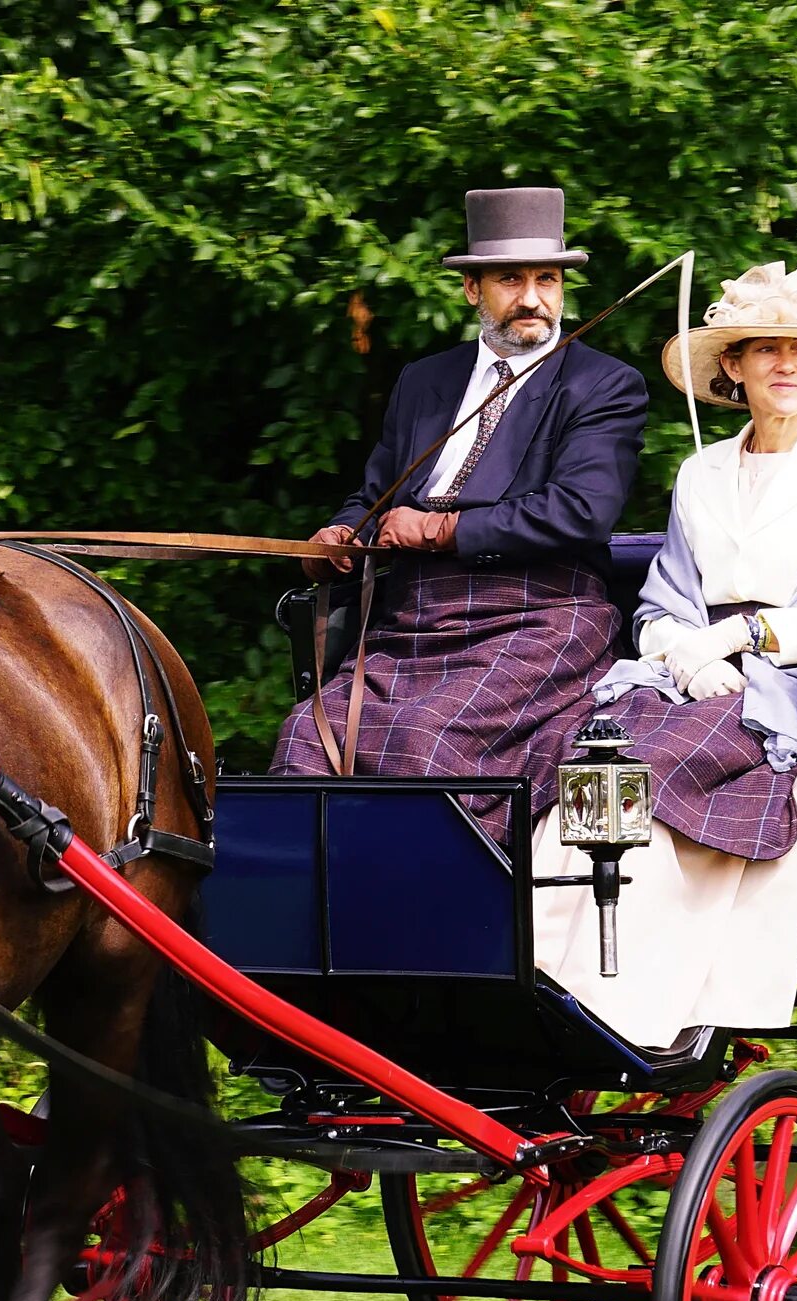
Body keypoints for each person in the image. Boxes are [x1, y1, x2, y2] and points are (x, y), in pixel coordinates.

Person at [531, 262, 797, 1048]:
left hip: (788, 678)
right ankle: (537, 975)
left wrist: (738, 638)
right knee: (582, 760)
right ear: (734, 366)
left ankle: (627, 1002)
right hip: (684, 671)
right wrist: (688, 658)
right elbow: (663, 601)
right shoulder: (700, 474)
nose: (788, 366)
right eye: (767, 349)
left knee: (656, 774)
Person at [270, 187, 650, 837]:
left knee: (424, 739)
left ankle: (435, 928)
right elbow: (377, 495)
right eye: (510, 279)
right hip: (419, 619)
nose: (532, 298)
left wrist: (443, 529)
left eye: (547, 279)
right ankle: (315, 929)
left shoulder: (602, 384)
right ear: (473, 289)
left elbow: (581, 511)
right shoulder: (425, 380)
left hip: (542, 618)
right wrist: (341, 536)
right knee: (305, 736)